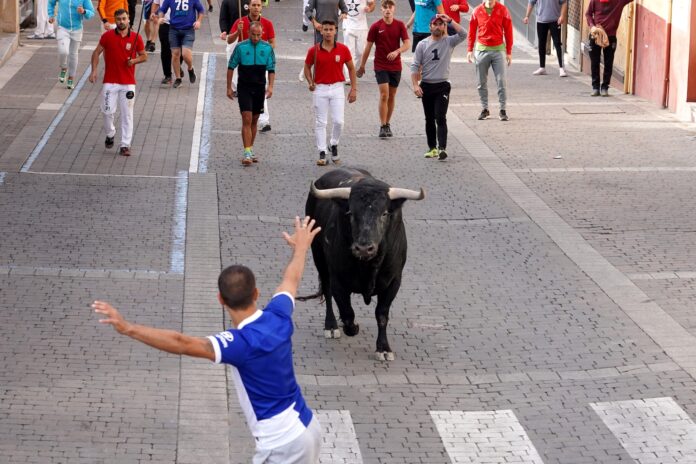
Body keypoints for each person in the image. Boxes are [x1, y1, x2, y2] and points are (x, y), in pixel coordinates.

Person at [93, 215, 323, 464]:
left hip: (281, 443)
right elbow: (291, 279)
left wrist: (128, 328)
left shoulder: (240, 343)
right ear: (256, 293)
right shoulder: (278, 315)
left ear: (220, 300)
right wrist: (301, 248)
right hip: (308, 426)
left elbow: (181, 343)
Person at [89, 9, 147, 157]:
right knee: (107, 111)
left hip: (128, 83)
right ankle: (110, 133)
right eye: (118, 19)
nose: (121, 22)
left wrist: (133, 61)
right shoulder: (107, 36)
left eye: (124, 19)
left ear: (128, 20)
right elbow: (96, 53)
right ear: (115, 20)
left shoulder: (136, 37)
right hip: (110, 82)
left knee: (127, 114)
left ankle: (125, 145)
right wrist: (94, 71)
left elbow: (144, 56)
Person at [411, 13, 465, 161]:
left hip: (442, 85)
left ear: (444, 26)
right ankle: (432, 148)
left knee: (440, 116)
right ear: (430, 26)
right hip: (427, 85)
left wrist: (451, 21)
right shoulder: (422, 44)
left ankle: (442, 148)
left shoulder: (449, 41)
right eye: (435, 24)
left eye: (441, 24)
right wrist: (415, 85)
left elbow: (463, 34)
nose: (437, 26)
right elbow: (414, 66)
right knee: (429, 118)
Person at [304, 20, 357, 166]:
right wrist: (310, 82)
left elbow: (352, 68)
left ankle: (333, 144)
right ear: (321, 31)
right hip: (320, 88)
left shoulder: (343, 49)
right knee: (321, 122)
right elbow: (307, 68)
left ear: (335, 31)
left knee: (339, 121)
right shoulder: (313, 50)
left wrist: (353, 88)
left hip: (337, 87)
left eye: (330, 29)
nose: (328, 32)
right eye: (325, 29)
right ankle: (322, 151)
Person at [357, 0, 410, 138]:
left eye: (390, 7)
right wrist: (362, 65)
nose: (387, 9)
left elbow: (407, 44)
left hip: (396, 66)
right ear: (381, 10)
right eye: (385, 7)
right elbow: (367, 47)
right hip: (380, 65)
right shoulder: (376, 27)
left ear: (394, 9)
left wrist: (397, 51)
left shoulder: (399, 25)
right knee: (384, 94)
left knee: (392, 96)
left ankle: (387, 123)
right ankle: (382, 125)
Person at [227, 21, 276, 166]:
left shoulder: (267, 48)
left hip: (259, 88)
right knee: (246, 118)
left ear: (262, 34)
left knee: (254, 120)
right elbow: (231, 67)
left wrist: (271, 87)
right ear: (248, 33)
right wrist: (229, 87)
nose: (256, 38)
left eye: (258, 35)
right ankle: (247, 152)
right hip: (244, 88)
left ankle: (250, 148)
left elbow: (272, 69)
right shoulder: (241, 47)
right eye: (253, 35)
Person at [227, 0, 276, 132]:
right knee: (246, 91)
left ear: (262, 7)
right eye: (253, 5)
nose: (256, 8)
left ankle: (264, 120)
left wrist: (264, 52)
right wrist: (238, 32)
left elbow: (272, 43)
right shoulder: (240, 22)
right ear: (248, 7)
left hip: (260, 63)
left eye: (258, 5)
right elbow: (229, 40)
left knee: (262, 88)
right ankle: (249, 116)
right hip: (245, 64)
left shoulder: (268, 23)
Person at [467, 0, 513, 121]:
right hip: (481, 50)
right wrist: (469, 49)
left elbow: (508, 31)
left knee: (501, 81)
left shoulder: (503, 10)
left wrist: (508, 52)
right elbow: (471, 31)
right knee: (481, 82)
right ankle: (484, 109)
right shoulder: (477, 11)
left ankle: (502, 110)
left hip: (499, 50)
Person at [585, 0, 633, 96]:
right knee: (594, 61)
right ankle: (595, 87)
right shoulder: (594, 1)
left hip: (610, 36)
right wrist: (592, 26)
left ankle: (605, 87)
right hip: (596, 35)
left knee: (608, 62)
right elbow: (588, 14)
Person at [154, 0, 205, 89]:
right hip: (173, 29)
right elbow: (162, 9)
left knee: (185, 54)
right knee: (175, 54)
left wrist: (199, 21)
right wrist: (161, 17)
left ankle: (190, 68)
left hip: (188, 30)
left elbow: (201, 10)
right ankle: (178, 78)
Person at [48, 0, 95, 90]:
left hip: (77, 29)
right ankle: (64, 68)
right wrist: (51, 15)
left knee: (73, 54)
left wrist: (84, 11)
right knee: (63, 51)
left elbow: (91, 12)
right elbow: (51, 3)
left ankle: (71, 78)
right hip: (62, 27)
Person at [302, 0, 348, 81]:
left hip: (333, 30)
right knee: (319, 55)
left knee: (331, 54)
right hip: (320, 29)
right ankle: (316, 79)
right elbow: (308, 10)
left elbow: (344, 9)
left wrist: (343, 14)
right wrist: (314, 22)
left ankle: (331, 78)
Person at [523, 0, 568, 77]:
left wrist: (562, 16)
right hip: (541, 21)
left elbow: (564, 2)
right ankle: (542, 67)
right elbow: (531, 2)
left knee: (557, 43)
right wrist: (527, 16)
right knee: (541, 44)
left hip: (555, 20)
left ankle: (561, 68)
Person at [342, 0, 375, 82]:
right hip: (348, 24)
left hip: (361, 26)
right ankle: (348, 76)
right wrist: (340, 12)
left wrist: (370, 9)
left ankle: (351, 68)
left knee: (361, 52)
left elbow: (372, 3)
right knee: (349, 51)